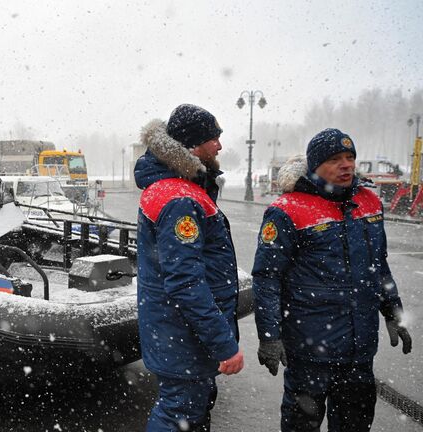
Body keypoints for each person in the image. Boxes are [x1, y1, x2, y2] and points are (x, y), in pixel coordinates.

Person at [252, 128, 412, 432]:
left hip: (359, 350)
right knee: (302, 425)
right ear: (315, 166)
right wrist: (269, 336)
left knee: (355, 425)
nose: (347, 165)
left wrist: (393, 311)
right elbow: (267, 279)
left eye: (350, 157)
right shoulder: (287, 211)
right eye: (335, 159)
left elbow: (379, 266)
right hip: (310, 350)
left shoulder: (369, 203)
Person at [135, 104, 244, 431]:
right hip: (182, 338)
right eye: (214, 138)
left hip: (175, 333)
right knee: (179, 415)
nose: (220, 146)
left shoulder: (175, 189)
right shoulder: (181, 198)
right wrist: (224, 344)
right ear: (194, 147)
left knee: (187, 414)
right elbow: (185, 283)